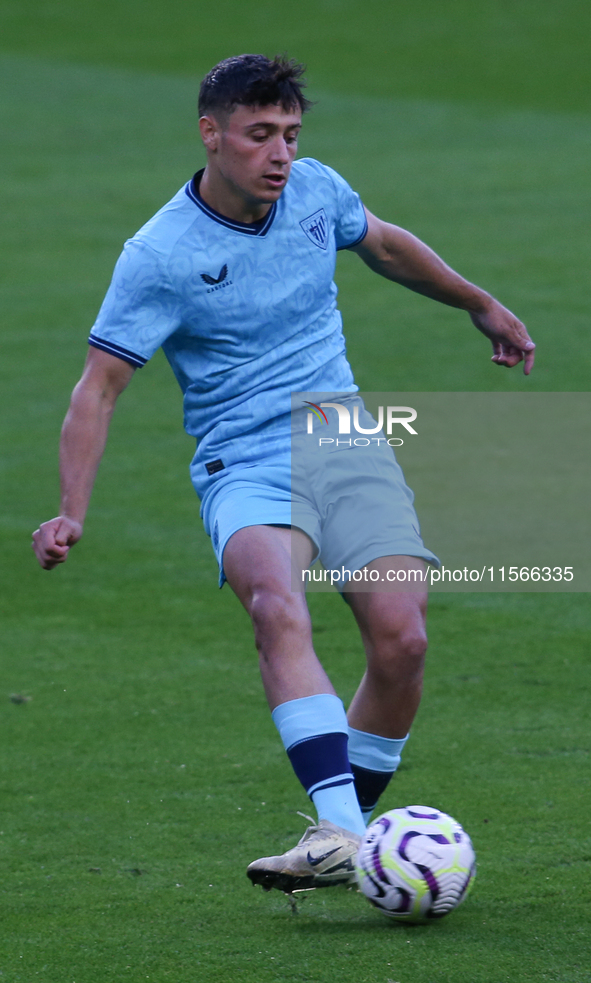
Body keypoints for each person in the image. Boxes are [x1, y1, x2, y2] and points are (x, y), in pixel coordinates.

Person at [32, 54, 535, 895]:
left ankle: (342, 840)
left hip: (344, 440)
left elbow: (379, 243)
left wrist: (476, 300)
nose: (280, 155)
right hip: (245, 458)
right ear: (212, 134)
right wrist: (69, 509)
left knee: (402, 640)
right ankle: (342, 827)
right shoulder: (159, 255)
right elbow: (100, 387)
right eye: (261, 135)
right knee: (276, 602)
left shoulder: (314, 192)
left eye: (291, 135)